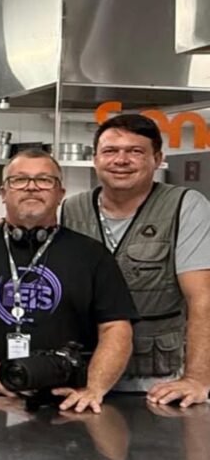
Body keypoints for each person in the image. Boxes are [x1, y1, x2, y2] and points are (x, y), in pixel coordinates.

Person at [0, 149, 138, 413]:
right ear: (3, 192)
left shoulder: (92, 254)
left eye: (44, 180)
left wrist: (95, 388)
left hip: (66, 403)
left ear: (60, 194)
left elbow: (116, 328)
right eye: (19, 180)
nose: (31, 187)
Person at [62, 114, 210, 407]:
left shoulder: (185, 206)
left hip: (158, 383)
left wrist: (197, 379)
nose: (121, 160)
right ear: (95, 159)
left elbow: (202, 299)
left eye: (135, 151)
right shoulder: (70, 209)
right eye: (110, 151)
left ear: (158, 159)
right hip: (83, 380)